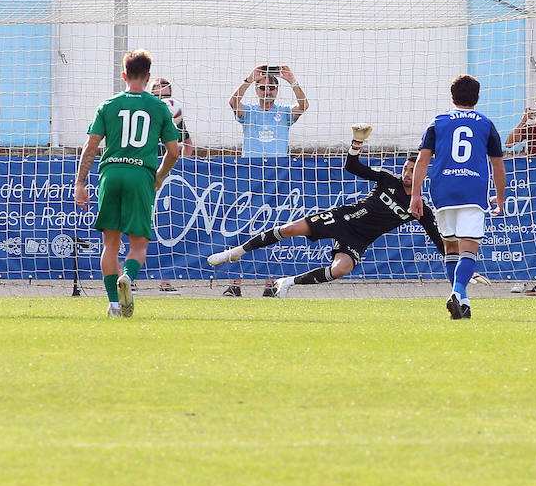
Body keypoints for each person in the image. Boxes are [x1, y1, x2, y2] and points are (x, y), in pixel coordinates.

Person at [207, 124, 442, 297]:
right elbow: (352, 166)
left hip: (360, 239)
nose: (408, 174)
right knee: (289, 229)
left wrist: (462, 267)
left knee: (341, 269)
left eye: (414, 170)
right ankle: (235, 252)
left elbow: (437, 239)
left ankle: (287, 282)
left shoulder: (419, 207)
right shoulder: (387, 180)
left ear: (423, 173)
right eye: (406, 168)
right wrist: (356, 144)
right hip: (343, 219)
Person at [75, 49, 182, 318]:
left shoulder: (108, 105)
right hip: (140, 175)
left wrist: (79, 183)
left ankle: (113, 303)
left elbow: (90, 147)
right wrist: (159, 176)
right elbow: (174, 152)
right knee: (138, 244)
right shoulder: (158, 107)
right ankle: (128, 277)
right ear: (147, 77)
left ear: (124, 75)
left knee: (110, 244)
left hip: (110, 174)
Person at [410, 74, 506, 319]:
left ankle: (463, 302)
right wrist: (500, 197)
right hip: (472, 190)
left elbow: (422, 159)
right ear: (477, 97)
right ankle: (457, 290)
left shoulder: (438, 121)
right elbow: (497, 164)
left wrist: (416, 195)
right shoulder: (485, 123)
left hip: (443, 190)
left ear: (452, 97)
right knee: (469, 250)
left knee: (451, 247)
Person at [229, 64, 308, 157]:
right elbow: (233, 102)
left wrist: (292, 81)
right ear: (256, 90)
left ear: (277, 89)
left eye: (271, 87)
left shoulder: (284, 112)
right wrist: (248, 80)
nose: (267, 92)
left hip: (278, 167)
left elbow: (304, 105)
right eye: (262, 88)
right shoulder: (249, 111)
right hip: (251, 166)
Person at [150, 78, 194, 157]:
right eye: (158, 96)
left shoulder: (175, 117)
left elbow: (188, 144)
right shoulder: (143, 115)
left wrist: (183, 163)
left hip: (166, 165)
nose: (162, 100)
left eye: (166, 96)